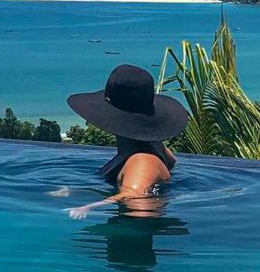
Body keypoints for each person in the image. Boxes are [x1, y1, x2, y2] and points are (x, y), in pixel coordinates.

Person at [62, 64, 189, 219]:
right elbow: (171, 161)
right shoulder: (150, 146)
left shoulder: (141, 161)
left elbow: (133, 194)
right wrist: (73, 191)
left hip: (134, 227)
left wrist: (90, 207)